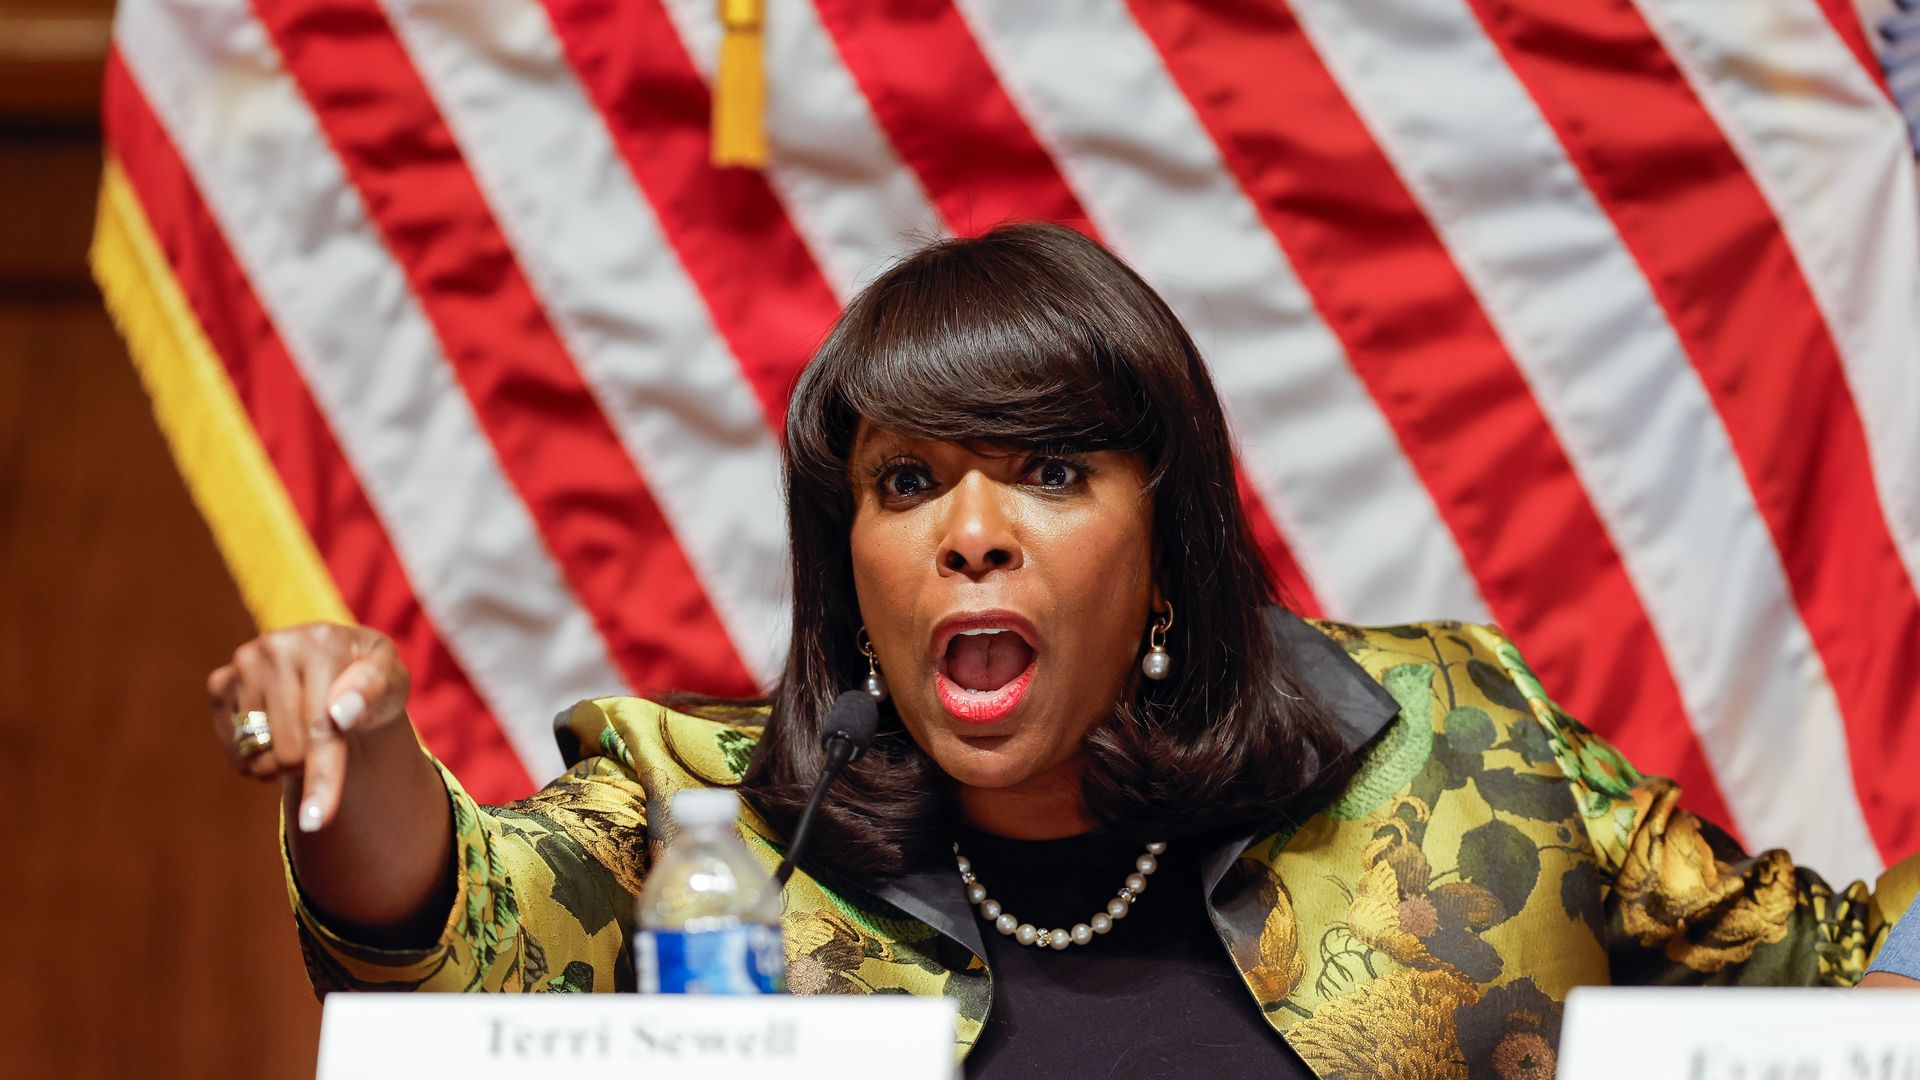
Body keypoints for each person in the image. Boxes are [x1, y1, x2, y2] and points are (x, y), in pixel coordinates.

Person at [211, 223, 1920, 1077]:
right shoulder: (705, 824)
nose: (971, 528)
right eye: (904, 483)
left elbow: (1843, 996)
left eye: (1047, 469)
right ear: (852, 562)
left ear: (1164, 539)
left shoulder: (1452, 741)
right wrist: (351, 769)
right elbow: (450, 945)